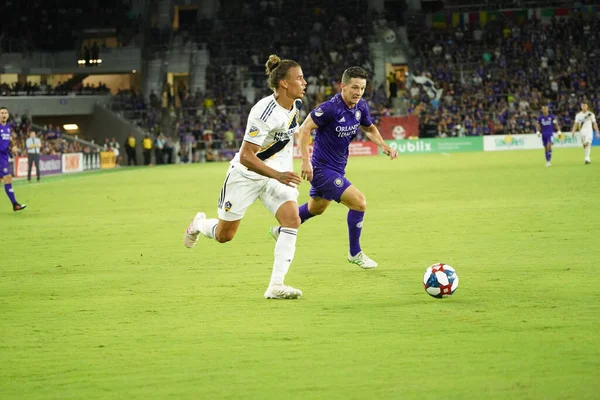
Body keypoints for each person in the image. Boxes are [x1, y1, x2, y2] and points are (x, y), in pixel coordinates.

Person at [183, 54, 306, 299]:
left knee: (292, 219)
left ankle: (276, 285)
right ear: (283, 83)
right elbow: (246, 156)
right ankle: (199, 224)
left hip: (274, 177)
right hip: (246, 176)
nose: (305, 82)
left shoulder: (296, 106)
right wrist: (278, 175)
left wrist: (305, 159)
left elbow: (298, 133)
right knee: (224, 236)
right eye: (299, 78)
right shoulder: (263, 111)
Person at [270, 66, 398, 268]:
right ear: (343, 86)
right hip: (321, 169)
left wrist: (383, 145)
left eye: (362, 88)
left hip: (337, 169)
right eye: (355, 87)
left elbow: (369, 127)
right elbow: (304, 129)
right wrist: (305, 160)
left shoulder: (360, 107)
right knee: (359, 203)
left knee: (316, 208)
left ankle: (283, 229)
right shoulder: (330, 108)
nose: (358, 92)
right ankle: (355, 253)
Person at [0, 107, 26, 211]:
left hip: (5, 156)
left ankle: (15, 204)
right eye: (1, 113)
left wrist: (12, 147)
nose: (4, 114)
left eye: (5, 113)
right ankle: (15, 204)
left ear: (8, 115)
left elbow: (9, 140)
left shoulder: (8, 128)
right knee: (8, 178)